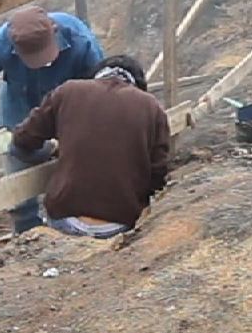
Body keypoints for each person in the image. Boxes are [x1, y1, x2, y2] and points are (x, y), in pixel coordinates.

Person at [0, 5, 104, 232]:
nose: (43, 63)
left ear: (54, 32)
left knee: (77, 165)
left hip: (69, 103)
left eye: (45, 54)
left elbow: (100, 92)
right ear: (15, 48)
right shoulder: (0, 44)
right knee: (19, 173)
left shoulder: (80, 40)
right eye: (33, 57)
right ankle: (27, 233)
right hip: (20, 102)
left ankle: (74, 224)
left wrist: (75, 134)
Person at [10, 56, 172, 239]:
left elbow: (22, 139)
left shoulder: (68, 91)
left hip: (65, 217)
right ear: (138, 84)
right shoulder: (151, 107)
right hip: (120, 223)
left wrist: (53, 149)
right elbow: (158, 173)